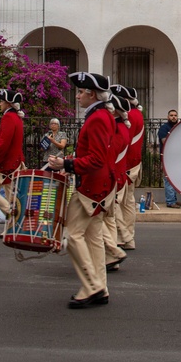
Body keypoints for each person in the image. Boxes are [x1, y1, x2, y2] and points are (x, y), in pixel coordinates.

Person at [47, 72, 116, 309]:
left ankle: (92, 286)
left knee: (72, 236)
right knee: (93, 237)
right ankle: (101, 288)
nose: (76, 96)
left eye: (80, 92)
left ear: (92, 94)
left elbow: (96, 159)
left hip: (91, 187)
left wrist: (67, 164)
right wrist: (72, 162)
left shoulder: (97, 118)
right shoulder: (103, 115)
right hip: (100, 185)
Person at [111, 85, 143, 250]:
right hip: (133, 163)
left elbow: (122, 143)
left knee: (117, 202)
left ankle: (124, 235)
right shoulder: (137, 113)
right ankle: (128, 236)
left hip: (125, 164)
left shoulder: (129, 116)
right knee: (127, 202)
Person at [0, 88, 26, 220]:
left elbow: (4, 143)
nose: (0, 104)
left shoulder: (8, 117)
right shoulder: (17, 118)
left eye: (2, 102)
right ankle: (13, 225)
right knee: (12, 196)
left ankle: (12, 213)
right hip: (14, 162)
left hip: (6, 164)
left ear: (8, 103)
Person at [102, 93, 130, 271]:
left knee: (103, 219)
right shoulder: (119, 128)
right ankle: (111, 256)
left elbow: (109, 156)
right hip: (115, 177)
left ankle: (113, 252)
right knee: (109, 219)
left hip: (111, 178)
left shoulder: (118, 130)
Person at [157, 109, 180, 208]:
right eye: (171, 115)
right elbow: (165, 142)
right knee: (168, 179)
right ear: (168, 117)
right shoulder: (164, 128)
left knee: (174, 179)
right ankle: (170, 202)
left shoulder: (178, 128)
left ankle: (174, 200)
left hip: (177, 157)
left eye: (175, 115)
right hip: (167, 157)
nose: (173, 117)